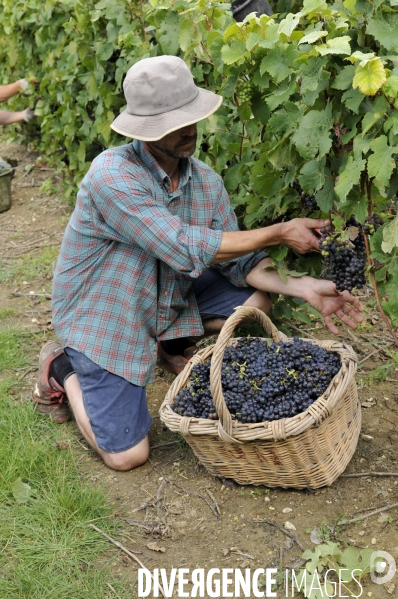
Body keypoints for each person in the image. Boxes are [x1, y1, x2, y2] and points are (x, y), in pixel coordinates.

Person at [32, 56, 364, 472]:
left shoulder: (204, 180)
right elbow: (182, 245)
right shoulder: (111, 175)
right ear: (145, 130)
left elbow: (239, 263)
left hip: (163, 295)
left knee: (257, 297)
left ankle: (166, 343)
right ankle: (63, 367)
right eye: (172, 124)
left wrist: (303, 287)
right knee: (127, 456)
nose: (188, 129)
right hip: (106, 312)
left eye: (191, 117)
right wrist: (279, 232)